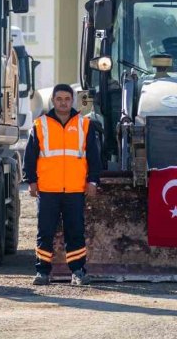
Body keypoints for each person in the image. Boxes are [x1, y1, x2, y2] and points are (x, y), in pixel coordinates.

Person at [23, 83, 102, 286]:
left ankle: (78, 272)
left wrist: (93, 181)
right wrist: (31, 181)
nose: (63, 103)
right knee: (45, 232)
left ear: (72, 101)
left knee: (75, 232)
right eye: (59, 99)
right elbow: (30, 157)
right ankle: (42, 272)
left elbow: (94, 157)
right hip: (47, 189)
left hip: (75, 189)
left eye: (67, 99)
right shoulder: (40, 125)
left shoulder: (85, 124)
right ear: (53, 101)